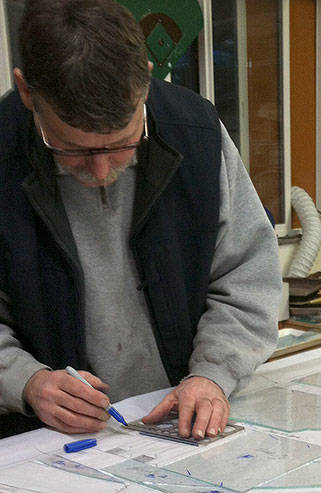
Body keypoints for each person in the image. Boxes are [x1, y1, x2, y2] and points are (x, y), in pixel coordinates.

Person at [0, 0, 282, 440]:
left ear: (145, 81)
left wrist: (213, 374)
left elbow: (248, 276)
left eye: (123, 144)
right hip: (45, 441)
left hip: (181, 420)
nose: (99, 172)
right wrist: (24, 382)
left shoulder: (197, 133)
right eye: (72, 149)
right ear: (27, 92)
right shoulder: (2, 150)